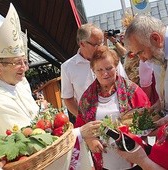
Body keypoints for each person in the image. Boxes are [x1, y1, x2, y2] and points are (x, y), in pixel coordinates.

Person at [0, 3, 101, 170]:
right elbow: (29, 143)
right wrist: (79, 133)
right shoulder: (0, 101)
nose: (25, 68)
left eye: (25, 61)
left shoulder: (22, 84)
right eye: (17, 63)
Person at [73, 45, 150, 170]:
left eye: (109, 68)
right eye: (99, 70)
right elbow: (81, 127)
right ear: (93, 70)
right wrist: (90, 140)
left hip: (135, 160)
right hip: (106, 163)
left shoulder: (132, 90)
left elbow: (148, 118)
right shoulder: (87, 98)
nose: (105, 74)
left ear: (116, 66)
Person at [116, 14, 168, 169]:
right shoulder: (159, 53)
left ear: (156, 39)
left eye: (140, 52)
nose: (142, 60)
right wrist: (160, 103)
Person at [61, 23, 128, 118]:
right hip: (92, 125)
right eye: (96, 44)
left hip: (119, 117)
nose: (101, 47)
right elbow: (68, 99)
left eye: (101, 43)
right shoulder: (67, 67)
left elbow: (126, 85)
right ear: (82, 43)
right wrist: (84, 118)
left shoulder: (111, 59)